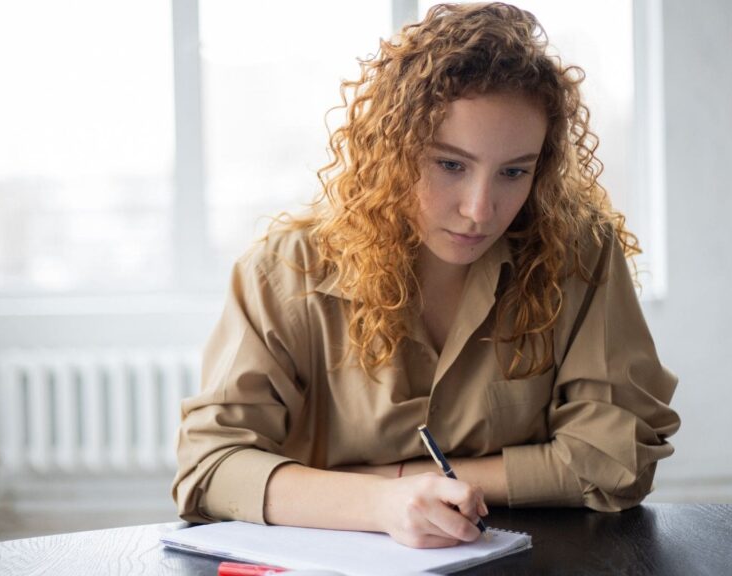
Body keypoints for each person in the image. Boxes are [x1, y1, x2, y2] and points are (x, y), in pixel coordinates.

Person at [172, 2, 680, 549]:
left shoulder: (578, 252)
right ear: (392, 150)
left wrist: (413, 482)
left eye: (514, 172)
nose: (481, 209)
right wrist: (381, 503)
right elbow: (209, 467)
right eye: (450, 165)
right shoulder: (285, 271)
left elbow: (616, 457)